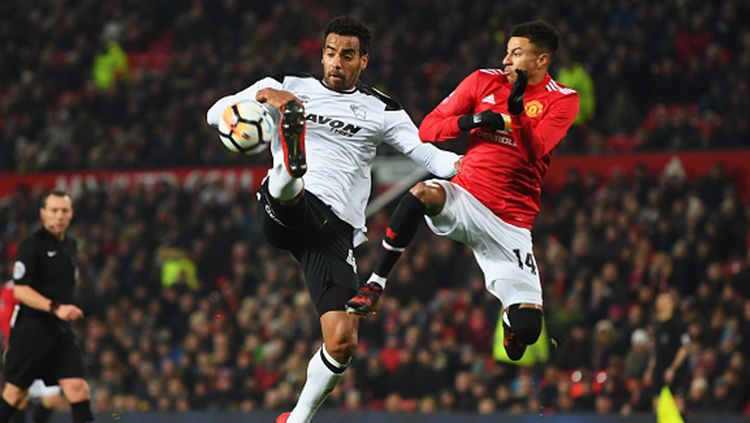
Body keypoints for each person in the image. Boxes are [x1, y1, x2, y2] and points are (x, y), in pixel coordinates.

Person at [206, 16, 460, 423]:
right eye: (330, 53)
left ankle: (297, 420)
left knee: (342, 342)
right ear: (321, 55)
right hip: (288, 208)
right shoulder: (288, 86)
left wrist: (471, 165)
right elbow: (215, 115)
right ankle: (291, 162)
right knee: (290, 188)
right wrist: (263, 98)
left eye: (347, 55)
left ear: (364, 62)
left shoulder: (383, 110)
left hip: (334, 233)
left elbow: (431, 157)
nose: (336, 62)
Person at [346, 20, 579, 361]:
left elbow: (534, 151)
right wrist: (475, 121)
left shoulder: (563, 100)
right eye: (507, 51)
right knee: (423, 193)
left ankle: (512, 322)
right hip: (466, 196)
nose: (506, 60)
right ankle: (375, 284)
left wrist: (516, 113)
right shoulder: (483, 81)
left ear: (541, 60)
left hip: (511, 222)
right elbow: (428, 129)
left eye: (516, 53)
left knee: (528, 331)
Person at [0, 190, 94, 423]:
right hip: (32, 329)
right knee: (15, 393)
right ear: (43, 214)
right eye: (54, 210)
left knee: (78, 388)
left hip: (60, 331)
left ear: (71, 214)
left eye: (64, 210)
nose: (59, 216)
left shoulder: (71, 245)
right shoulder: (31, 245)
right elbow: (21, 290)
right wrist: (55, 308)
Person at [1, 280, 61, 423]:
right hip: (21, 352)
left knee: (52, 400)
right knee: (19, 399)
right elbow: (5, 320)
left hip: (47, 352)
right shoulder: (10, 290)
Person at [642, 291, 690, 410]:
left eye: (665, 301)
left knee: (678, 405)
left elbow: (685, 348)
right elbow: (655, 350)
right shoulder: (655, 324)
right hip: (659, 369)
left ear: (672, 304)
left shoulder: (678, 323)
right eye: (660, 301)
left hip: (676, 370)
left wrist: (673, 368)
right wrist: (649, 370)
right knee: (657, 404)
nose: (662, 303)